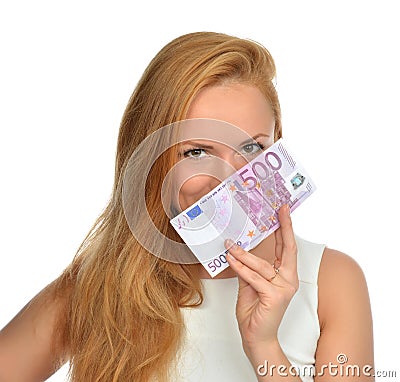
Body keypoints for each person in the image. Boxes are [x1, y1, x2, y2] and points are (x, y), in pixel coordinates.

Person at [0, 32, 374, 381]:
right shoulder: (100, 284)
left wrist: (264, 347)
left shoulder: (333, 281)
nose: (230, 179)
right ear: (151, 164)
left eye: (251, 147)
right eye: (197, 152)